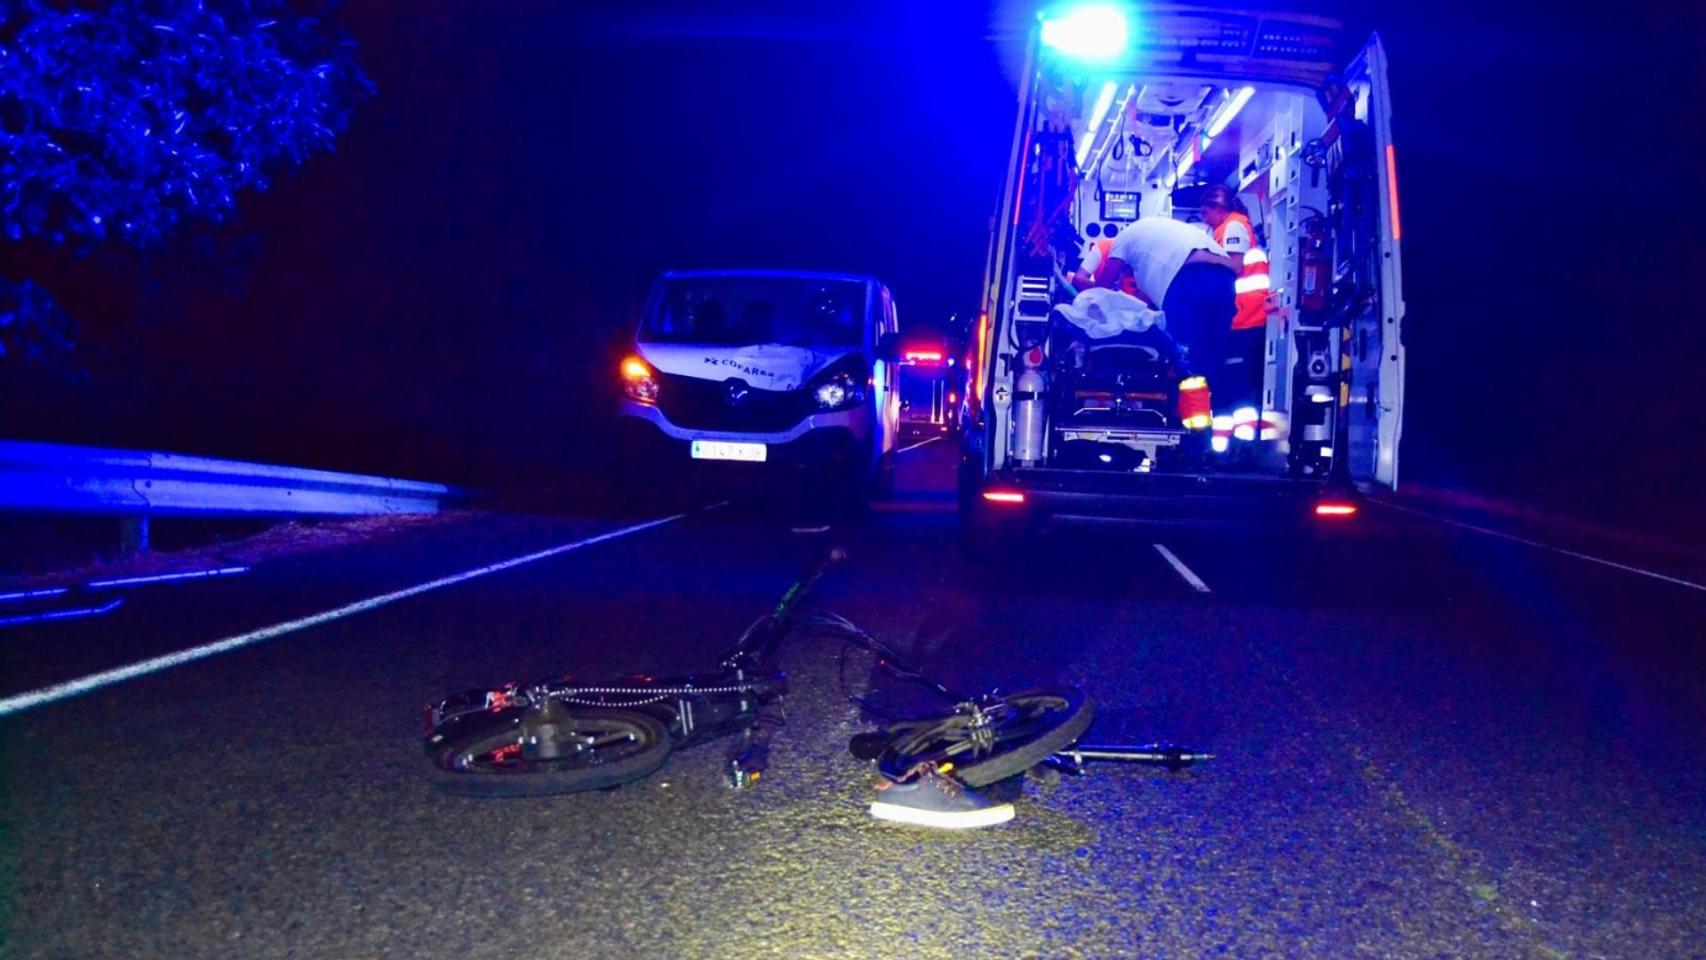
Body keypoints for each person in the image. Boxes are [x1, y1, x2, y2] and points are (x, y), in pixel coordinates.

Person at [1092, 215, 1237, 430]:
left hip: (1189, 277)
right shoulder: (1162, 233)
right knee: (1213, 360)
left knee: (1186, 361)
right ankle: (1219, 438)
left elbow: (1103, 285)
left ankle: (1193, 437)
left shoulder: (1122, 239)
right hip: (1225, 278)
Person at [1200, 185, 1270, 435]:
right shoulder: (1223, 228)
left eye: (1206, 211)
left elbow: (1234, 266)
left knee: (1236, 387)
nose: (1203, 216)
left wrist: (1200, 259)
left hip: (1245, 319)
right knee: (1231, 384)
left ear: (1219, 207)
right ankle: (1228, 445)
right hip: (1238, 319)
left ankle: (1237, 447)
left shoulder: (1234, 226)